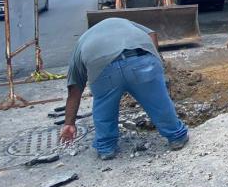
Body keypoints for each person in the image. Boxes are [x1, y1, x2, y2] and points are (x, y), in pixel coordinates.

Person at [58, 18, 188, 160]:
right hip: (140, 61)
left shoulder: (82, 42)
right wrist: (157, 63)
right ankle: (176, 136)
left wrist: (69, 123)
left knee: (104, 108)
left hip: (103, 71)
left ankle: (106, 147)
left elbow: (74, 88)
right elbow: (152, 34)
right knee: (158, 101)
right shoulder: (124, 22)